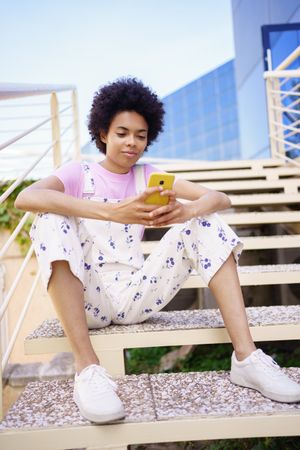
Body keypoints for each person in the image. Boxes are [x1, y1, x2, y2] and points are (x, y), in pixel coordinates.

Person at [15, 77, 300, 424]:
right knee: (49, 217)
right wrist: (111, 211)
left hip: (137, 293)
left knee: (205, 220)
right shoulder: (79, 172)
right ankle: (88, 369)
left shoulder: (148, 176)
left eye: (141, 135)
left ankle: (246, 357)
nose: (132, 143)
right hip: (89, 295)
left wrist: (187, 211)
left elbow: (220, 198)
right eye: (122, 133)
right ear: (103, 133)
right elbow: (25, 197)